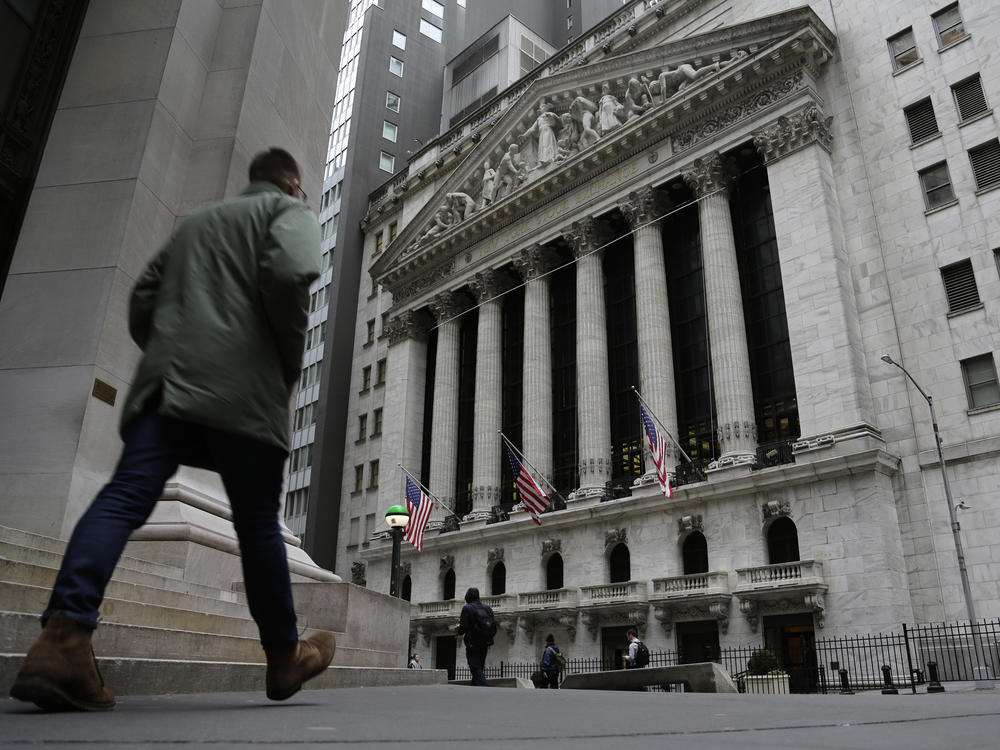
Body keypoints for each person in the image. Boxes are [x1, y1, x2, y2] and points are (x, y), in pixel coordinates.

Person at [9, 147, 334, 712]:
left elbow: (141, 301)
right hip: (246, 393)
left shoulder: (198, 226)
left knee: (126, 496)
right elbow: (287, 273)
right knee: (257, 524)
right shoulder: (289, 214)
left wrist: (170, 349)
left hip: (168, 386)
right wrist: (285, 356)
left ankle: (62, 637)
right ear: (290, 185)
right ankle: (283, 658)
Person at [455, 587, 494, 687]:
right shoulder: (487, 608)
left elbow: (464, 627)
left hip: (473, 642)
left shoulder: (467, 608)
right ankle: (475, 689)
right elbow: (493, 626)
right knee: (479, 667)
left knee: (475, 667)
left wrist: (457, 631)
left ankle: (485, 688)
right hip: (485, 642)